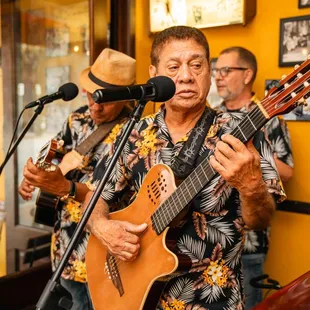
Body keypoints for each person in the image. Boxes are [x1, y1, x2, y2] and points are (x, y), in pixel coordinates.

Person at [85, 26, 285, 309]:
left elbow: (260, 220)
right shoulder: (132, 133)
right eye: (174, 66)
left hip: (212, 300)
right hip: (137, 298)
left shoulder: (242, 134)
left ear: (208, 71)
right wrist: (102, 226)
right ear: (155, 74)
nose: (186, 76)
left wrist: (251, 186)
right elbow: (94, 199)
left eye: (196, 65)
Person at [18, 48, 136, 310]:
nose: (95, 105)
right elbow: (53, 154)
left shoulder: (137, 131)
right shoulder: (77, 119)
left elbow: (122, 196)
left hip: (104, 249)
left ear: (125, 97)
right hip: (66, 245)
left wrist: (66, 187)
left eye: (104, 99)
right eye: (91, 95)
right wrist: (35, 175)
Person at [214, 46, 294, 309]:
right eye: (216, 70)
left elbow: (288, 170)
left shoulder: (270, 117)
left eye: (225, 70)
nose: (218, 76)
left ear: (247, 75)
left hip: (249, 240)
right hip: (210, 244)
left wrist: (249, 157)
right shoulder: (212, 115)